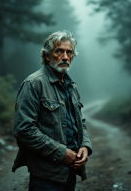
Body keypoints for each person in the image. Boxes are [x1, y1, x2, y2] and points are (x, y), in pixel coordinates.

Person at [12, 31, 92, 191]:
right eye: (59, 51)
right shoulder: (34, 84)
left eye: (69, 52)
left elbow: (80, 122)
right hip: (45, 176)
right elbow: (23, 129)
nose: (65, 57)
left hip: (70, 171)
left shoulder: (72, 86)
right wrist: (62, 153)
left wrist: (85, 146)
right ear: (47, 56)